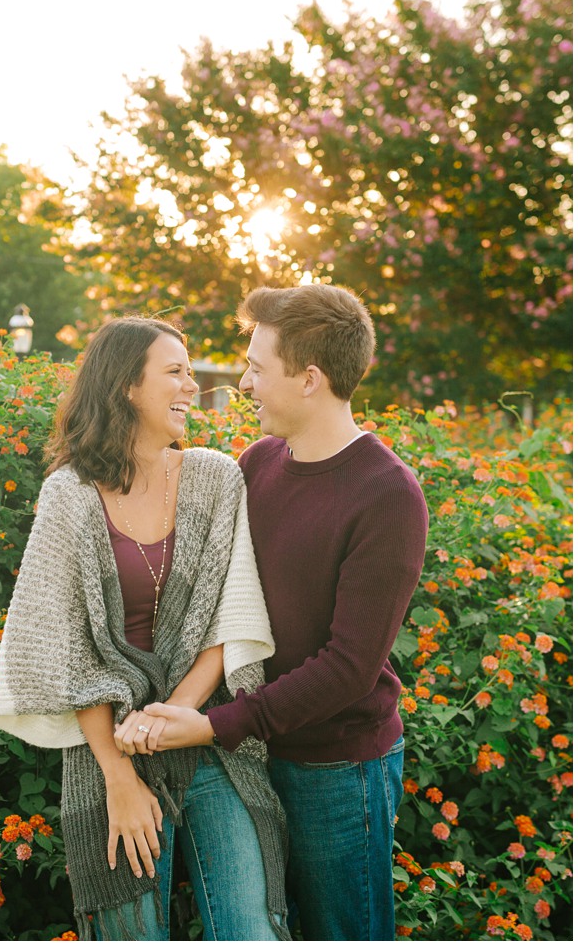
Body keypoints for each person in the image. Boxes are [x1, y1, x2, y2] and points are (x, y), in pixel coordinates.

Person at [129, 284, 429, 941]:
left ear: (310, 379)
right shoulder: (259, 463)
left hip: (338, 772)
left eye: (258, 368)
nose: (244, 382)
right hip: (250, 758)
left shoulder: (387, 495)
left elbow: (349, 668)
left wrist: (213, 727)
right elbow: (212, 593)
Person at [0, 316, 290, 940]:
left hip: (205, 736)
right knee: (132, 931)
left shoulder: (215, 477)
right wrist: (119, 778)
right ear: (126, 384)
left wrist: (172, 715)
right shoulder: (69, 494)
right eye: (175, 372)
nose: (192, 386)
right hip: (108, 752)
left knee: (251, 930)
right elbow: (61, 648)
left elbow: (231, 620)